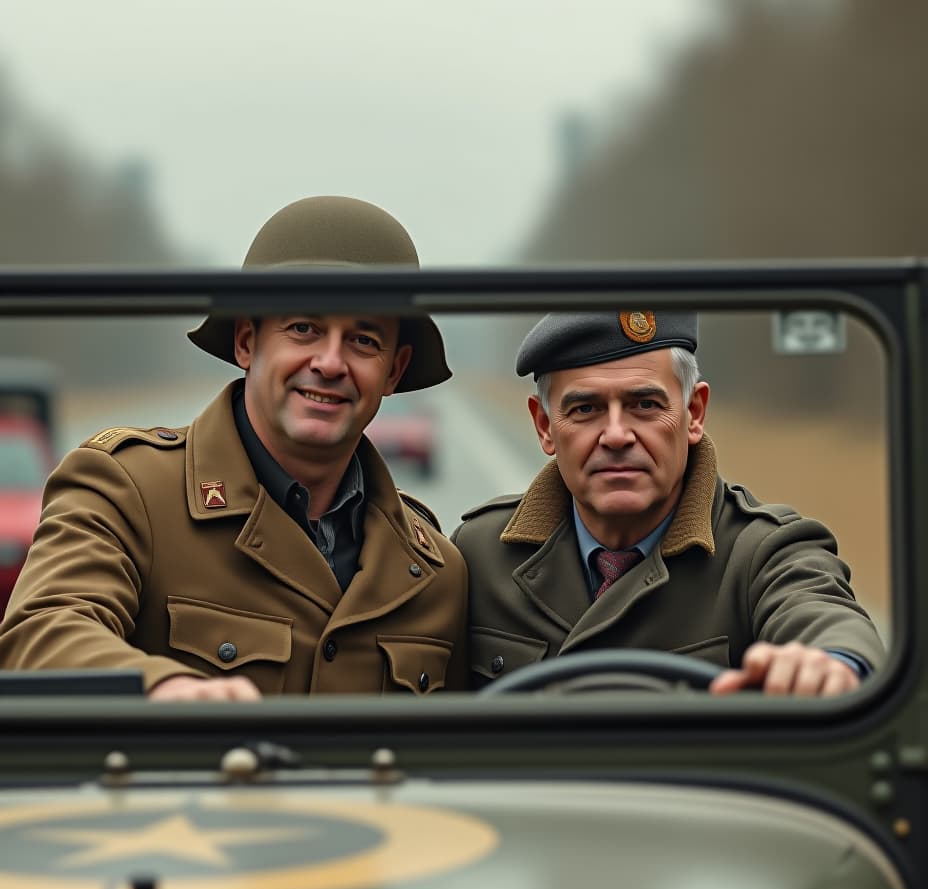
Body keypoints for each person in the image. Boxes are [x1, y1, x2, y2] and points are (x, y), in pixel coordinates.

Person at [0, 196, 469, 700]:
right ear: (247, 342)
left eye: (363, 340)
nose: (330, 363)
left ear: (393, 372)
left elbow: (461, 764)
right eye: (304, 329)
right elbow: (40, 635)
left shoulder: (437, 572)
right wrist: (164, 689)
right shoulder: (126, 490)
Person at [452, 310, 883, 696]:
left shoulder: (760, 553)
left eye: (644, 404)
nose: (617, 435)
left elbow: (821, 611)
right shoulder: (481, 554)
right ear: (545, 425)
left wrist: (829, 662)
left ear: (694, 412)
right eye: (586, 409)